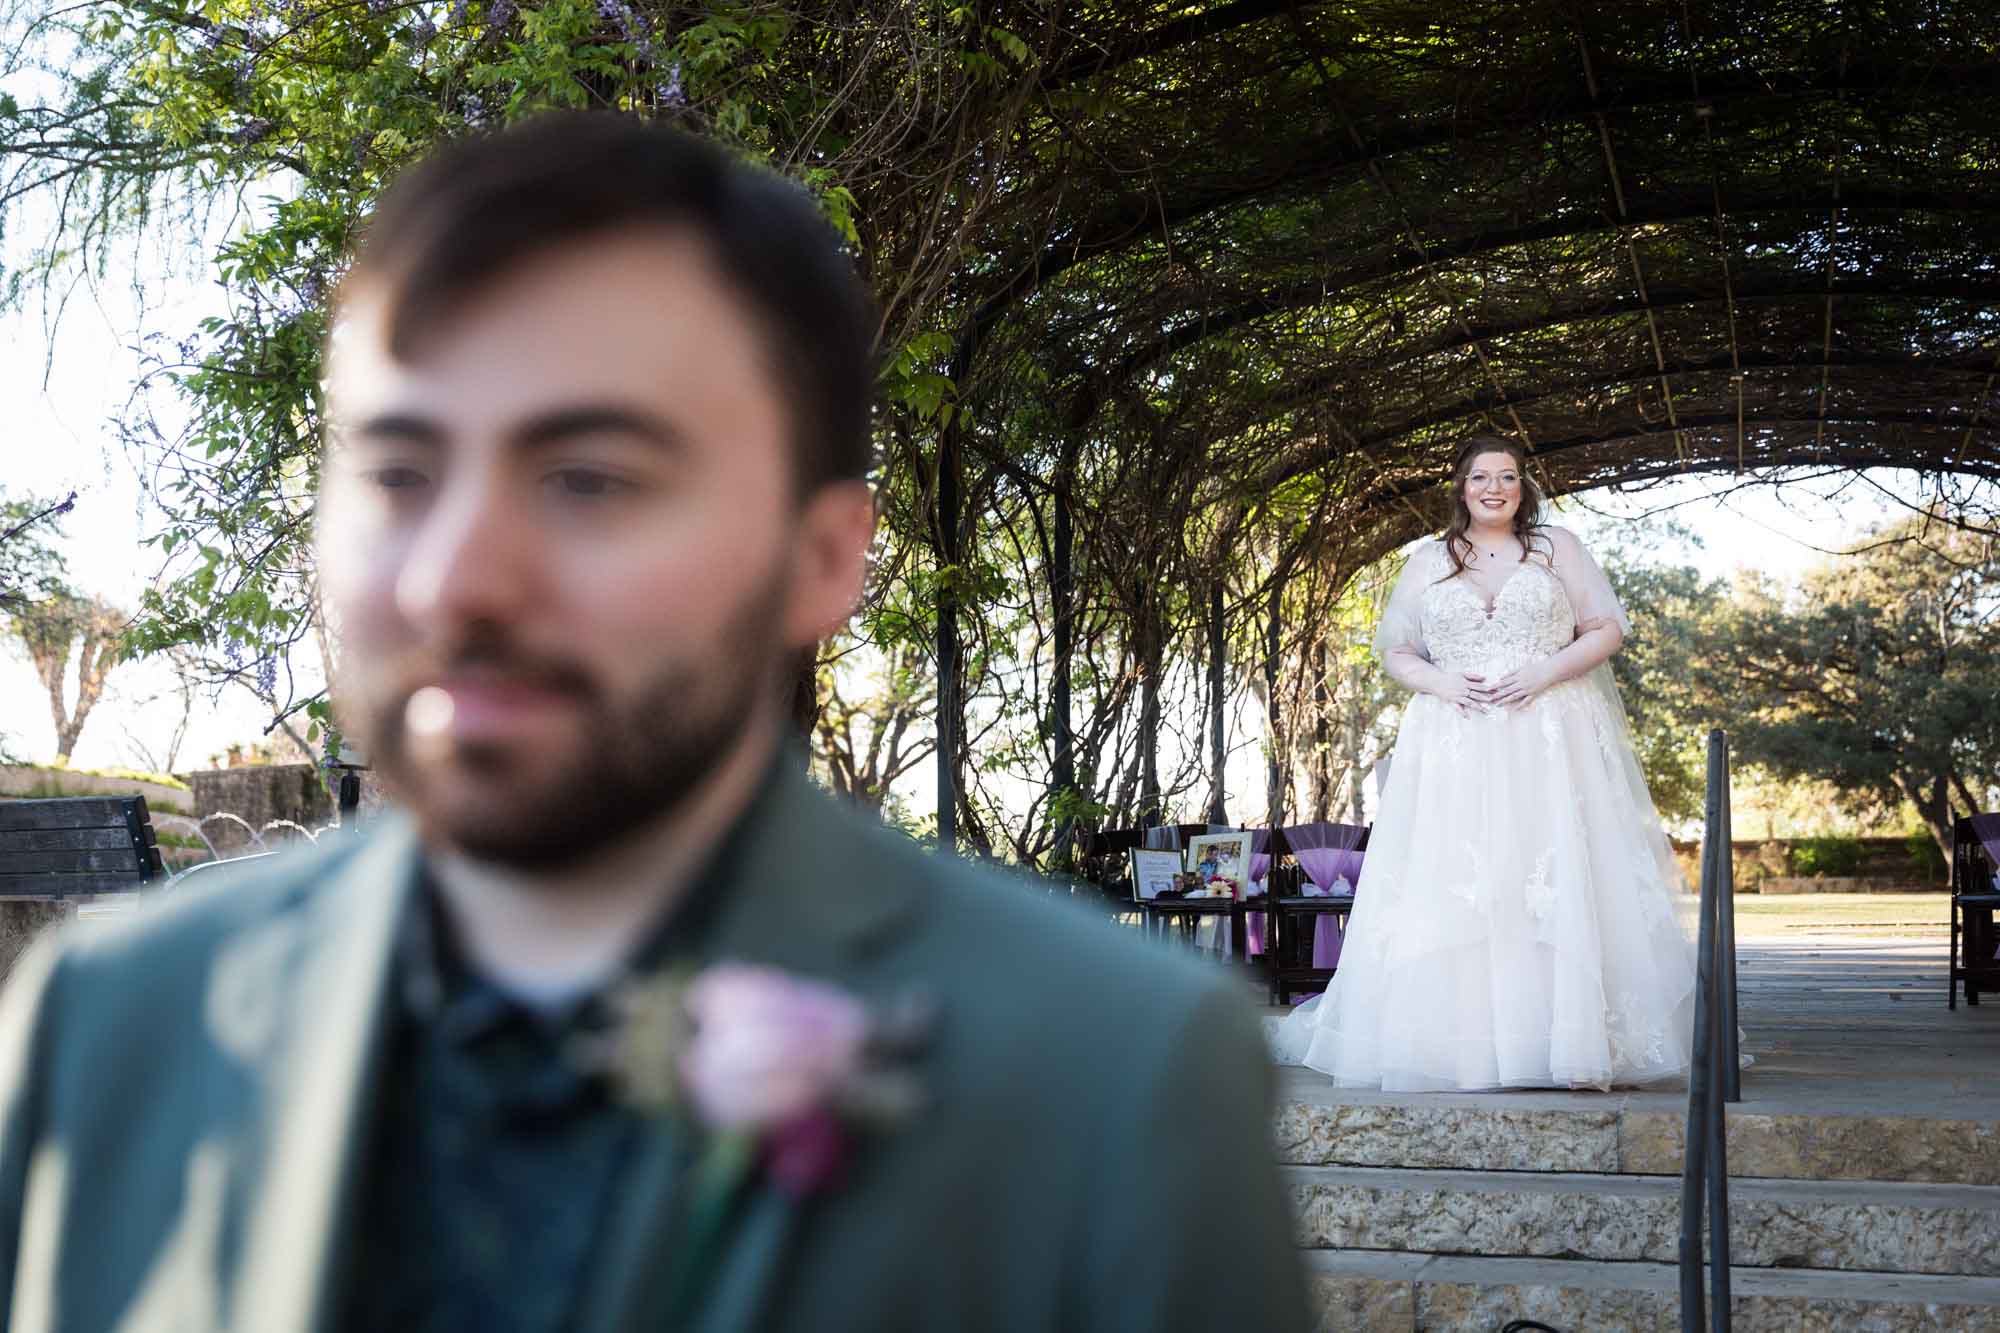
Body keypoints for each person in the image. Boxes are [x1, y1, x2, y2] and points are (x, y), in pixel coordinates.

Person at [0, 115, 1309, 1332]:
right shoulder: (108, 1019)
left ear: (822, 559)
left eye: (589, 479)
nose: (456, 579)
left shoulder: (1117, 1078)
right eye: (398, 472)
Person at [1273, 435, 1697, 1092]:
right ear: (1461, 487)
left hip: (1550, 736)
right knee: (1464, 883)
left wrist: (1544, 672)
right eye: (1480, 477)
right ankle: (1465, 1044)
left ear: (1524, 486)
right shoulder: (1428, 560)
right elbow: (1398, 649)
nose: (1494, 487)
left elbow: (1606, 628)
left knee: (1547, 874)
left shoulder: (1560, 549)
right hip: (1456, 742)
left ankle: (1572, 1038)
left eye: (1507, 476)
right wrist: (1442, 684)